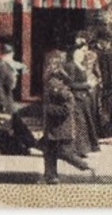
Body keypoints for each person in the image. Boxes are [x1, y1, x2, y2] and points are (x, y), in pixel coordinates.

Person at [40, 49, 93, 184]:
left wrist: (48, 110)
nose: (48, 66)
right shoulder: (53, 80)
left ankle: (85, 166)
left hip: (60, 125)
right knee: (49, 149)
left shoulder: (55, 83)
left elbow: (67, 107)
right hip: (55, 124)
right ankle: (50, 176)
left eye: (50, 63)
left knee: (64, 152)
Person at [0, 37, 40, 156]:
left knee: (13, 125)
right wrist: (2, 102)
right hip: (4, 100)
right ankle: (30, 144)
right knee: (11, 125)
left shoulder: (6, 64)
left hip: (7, 99)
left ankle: (31, 144)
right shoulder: (2, 65)